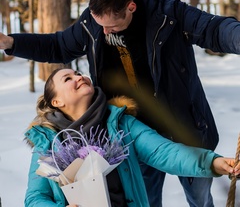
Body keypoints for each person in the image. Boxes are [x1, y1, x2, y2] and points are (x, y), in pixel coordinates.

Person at [1, 0, 240, 206]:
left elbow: (215, 29)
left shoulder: (169, 14)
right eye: (99, 25)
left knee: (199, 197)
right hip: (134, 132)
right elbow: (58, 45)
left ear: (131, 7)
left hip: (183, 128)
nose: (104, 32)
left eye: (110, 25)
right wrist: (11, 43)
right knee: (146, 198)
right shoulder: (92, 25)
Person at [24, 68, 240, 207]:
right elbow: (35, 199)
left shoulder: (120, 124)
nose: (79, 77)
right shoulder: (48, 142)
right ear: (56, 102)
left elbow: (165, 152)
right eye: (68, 79)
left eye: (78, 73)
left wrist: (213, 162)